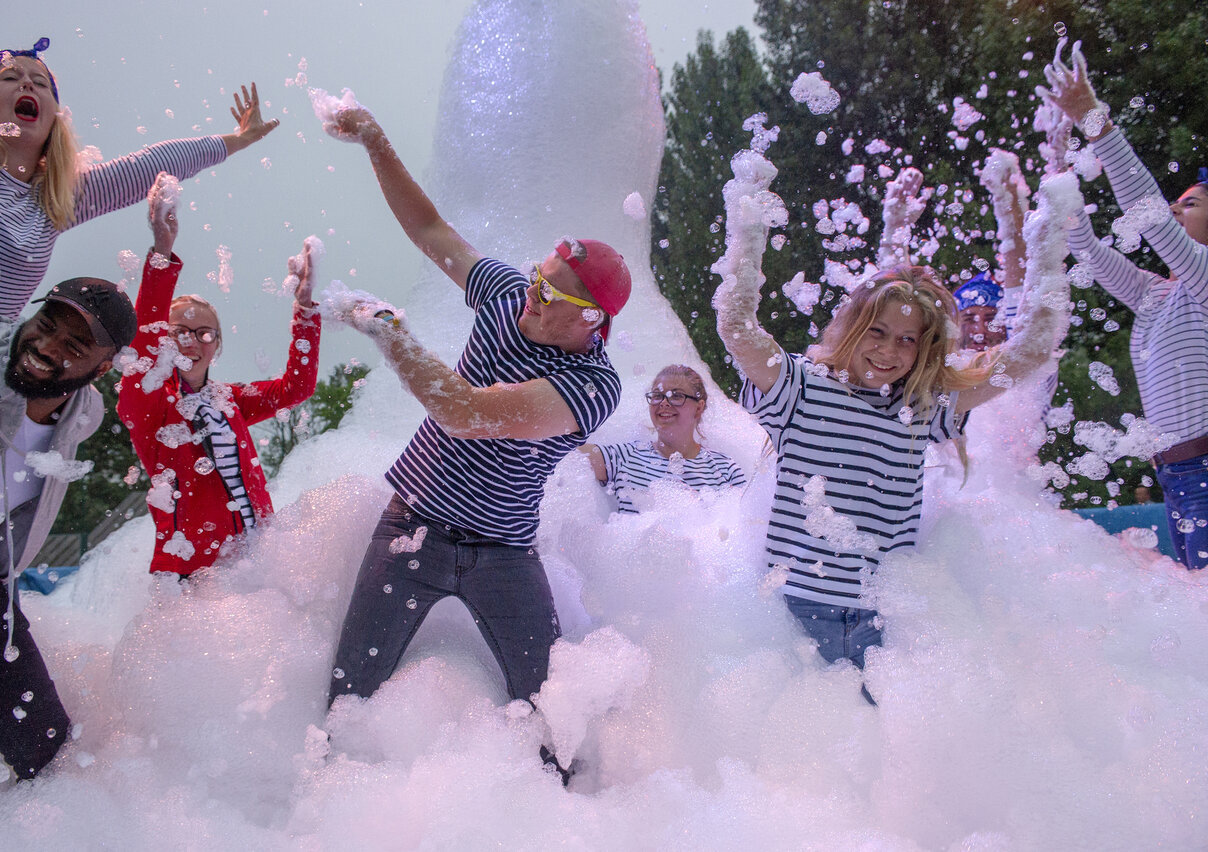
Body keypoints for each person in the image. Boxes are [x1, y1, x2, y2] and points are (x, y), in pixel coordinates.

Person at [318, 99, 629, 781]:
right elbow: (430, 228)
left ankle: (564, 821)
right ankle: (323, 807)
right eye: (538, 278)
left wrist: (390, 332)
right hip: (412, 528)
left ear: (592, 322)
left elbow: (463, 412)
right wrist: (374, 139)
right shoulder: (506, 293)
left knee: (556, 725)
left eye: (553, 295)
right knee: (345, 706)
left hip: (504, 553)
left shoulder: (593, 384)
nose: (534, 296)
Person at [713, 142, 1075, 698]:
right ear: (851, 330)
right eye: (877, 332)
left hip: (886, 614)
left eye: (908, 340)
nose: (888, 351)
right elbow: (737, 328)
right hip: (795, 608)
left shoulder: (921, 407)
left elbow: (1029, 355)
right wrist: (749, 221)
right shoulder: (801, 387)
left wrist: (1048, 243)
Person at [0, 37, 279, 339]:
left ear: (55, 118)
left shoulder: (55, 200)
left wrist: (239, 139)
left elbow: (149, 165)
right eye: (10, 77)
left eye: (40, 83)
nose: (27, 84)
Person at [0, 273, 136, 780]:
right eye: (46, 324)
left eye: (74, 345)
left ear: (101, 368)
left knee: (52, 762)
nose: (46, 346)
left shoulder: (84, 413)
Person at [1038, 40, 1208, 570]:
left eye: (1191, 203)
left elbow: (1147, 213)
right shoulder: (1160, 292)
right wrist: (1061, 181)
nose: (1176, 209)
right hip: (1177, 477)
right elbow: (1087, 250)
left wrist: (1093, 118)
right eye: (1178, 201)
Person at [116, 176, 321, 576]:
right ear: (164, 339)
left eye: (204, 333)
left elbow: (297, 388)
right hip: (190, 581)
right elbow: (142, 350)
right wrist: (162, 252)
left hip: (255, 568)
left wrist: (306, 310)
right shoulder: (150, 402)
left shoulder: (229, 400)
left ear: (217, 344)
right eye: (180, 331)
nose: (192, 342)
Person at [580, 364, 745, 514]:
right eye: (657, 395)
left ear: (698, 408)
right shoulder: (623, 457)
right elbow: (571, 455)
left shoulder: (725, 470)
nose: (664, 403)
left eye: (676, 396)